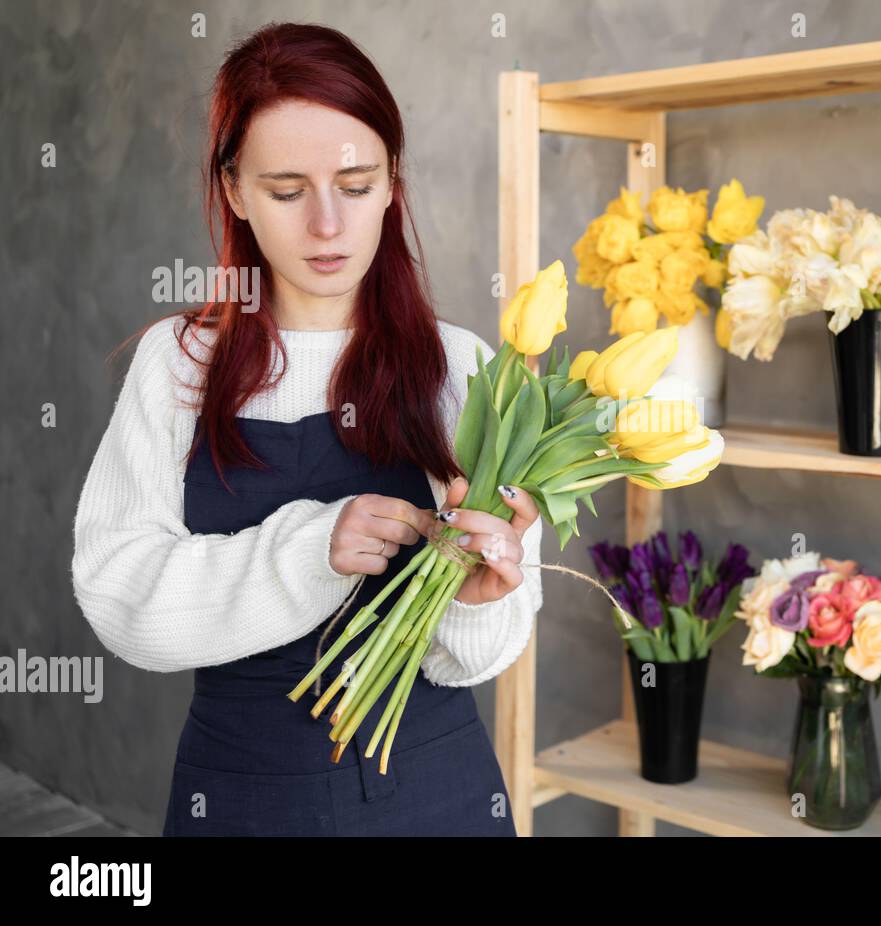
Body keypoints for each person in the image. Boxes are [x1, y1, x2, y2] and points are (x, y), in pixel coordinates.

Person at [70, 22, 541, 836]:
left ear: (394, 182)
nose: (327, 225)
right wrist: (307, 553)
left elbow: (486, 653)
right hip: (242, 797)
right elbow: (119, 595)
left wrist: (473, 598)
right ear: (234, 190)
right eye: (287, 190)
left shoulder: (461, 367)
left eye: (355, 186)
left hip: (440, 796)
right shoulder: (176, 364)